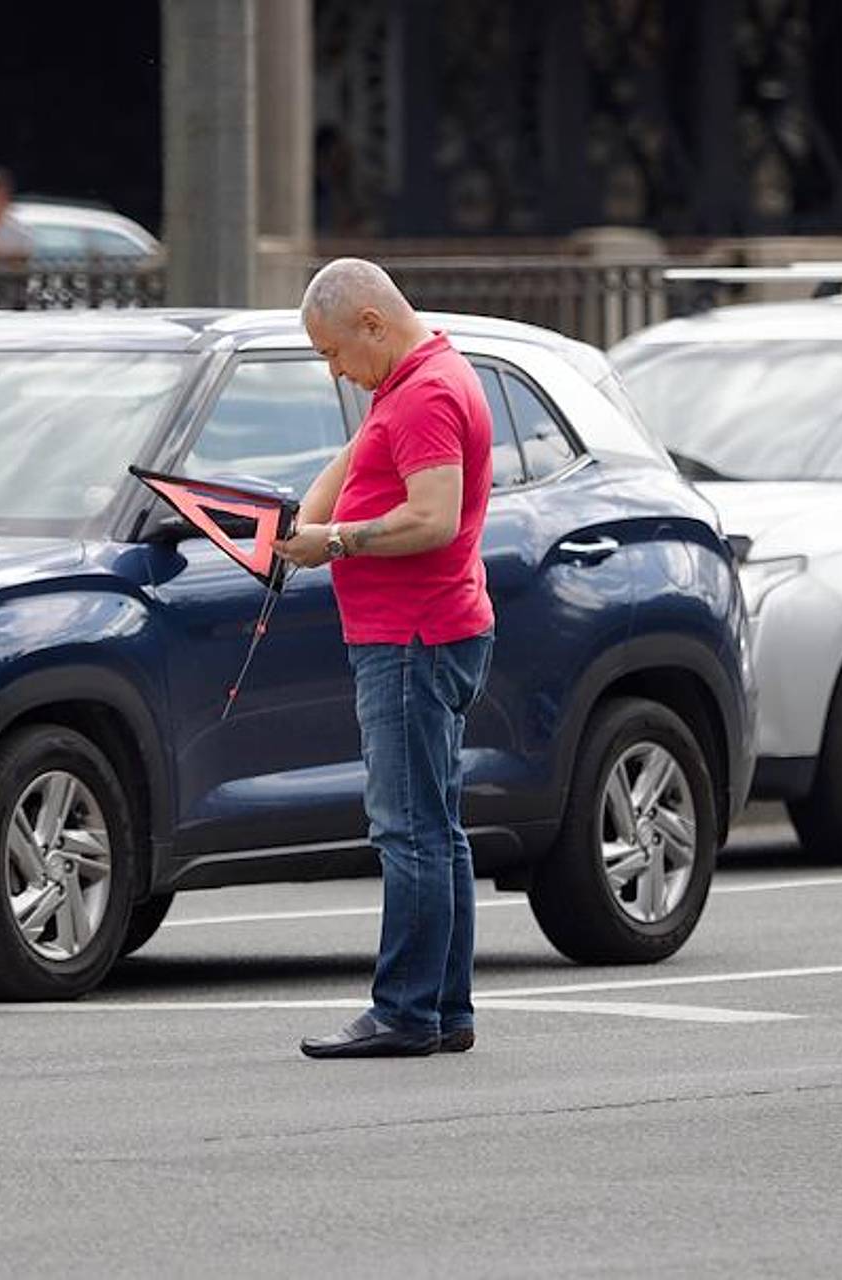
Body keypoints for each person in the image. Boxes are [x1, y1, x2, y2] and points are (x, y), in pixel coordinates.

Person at [275, 258, 495, 1059]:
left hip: (411, 638)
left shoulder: (429, 392)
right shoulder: (411, 379)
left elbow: (431, 519)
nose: (334, 370)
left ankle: (405, 1011)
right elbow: (360, 454)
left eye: (333, 352)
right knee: (438, 828)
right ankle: (445, 1008)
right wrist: (298, 519)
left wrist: (330, 542)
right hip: (430, 629)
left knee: (408, 832)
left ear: (372, 322)